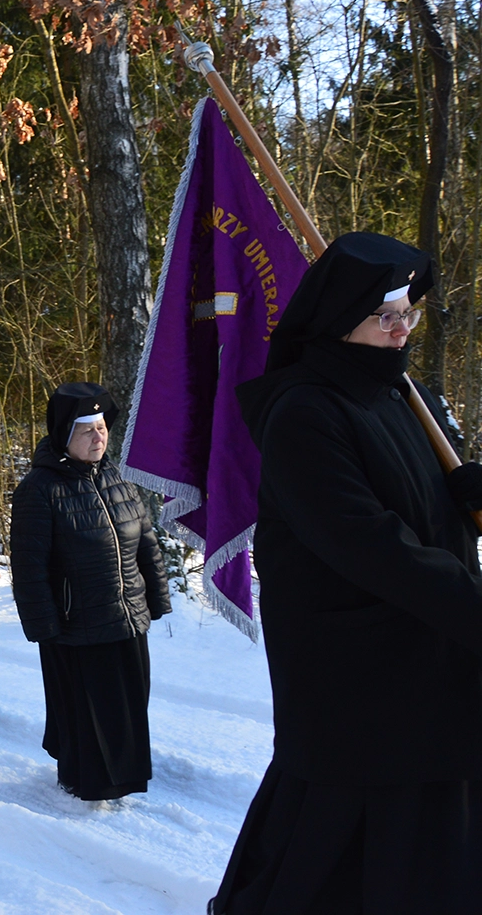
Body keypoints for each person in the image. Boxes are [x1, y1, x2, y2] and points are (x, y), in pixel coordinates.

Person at [211, 232, 482, 913]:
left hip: (428, 665)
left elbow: (415, 505)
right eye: (384, 317)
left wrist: (463, 495)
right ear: (338, 320)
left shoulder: (404, 396)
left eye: (408, 314)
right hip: (360, 685)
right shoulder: (305, 411)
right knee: (345, 867)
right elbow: (369, 543)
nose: (401, 332)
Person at [9, 382, 171, 802]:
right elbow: (28, 567)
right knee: (88, 709)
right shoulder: (39, 489)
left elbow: (146, 541)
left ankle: (125, 779)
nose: (98, 437)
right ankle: (87, 782)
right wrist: (43, 625)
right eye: (87, 431)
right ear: (65, 435)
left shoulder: (116, 477)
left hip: (127, 615)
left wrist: (156, 598)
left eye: (101, 428)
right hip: (76, 622)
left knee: (128, 704)